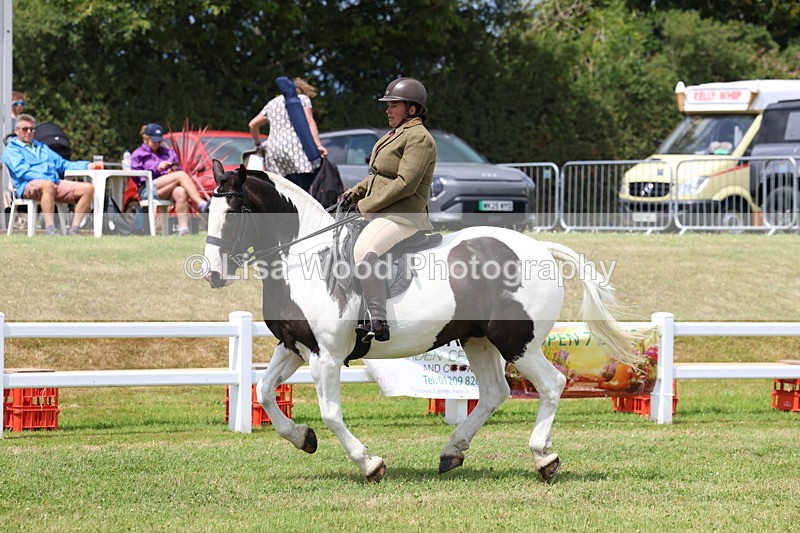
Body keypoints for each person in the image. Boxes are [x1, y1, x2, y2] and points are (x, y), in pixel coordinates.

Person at [340, 77, 436, 342]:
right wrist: (352, 194)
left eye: (394, 105)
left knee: (363, 249)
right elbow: (376, 175)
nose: (388, 110)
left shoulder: (420, 139)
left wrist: (365, 206)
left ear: (412, 110)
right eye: (388, 105)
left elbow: (405, 184)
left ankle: (377, 320)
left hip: (404, 216)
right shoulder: (394, 135)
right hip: (383, 213)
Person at [2, 113, 97, 236]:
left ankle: (74, 230)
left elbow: (63, 164)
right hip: (27, 185)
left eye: (32, 129)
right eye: (25, 129)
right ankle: (50, 229)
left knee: (88, 189)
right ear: (16, 131)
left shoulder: (41, 147)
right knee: (47, 185)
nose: (29, 132)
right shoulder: (12, 149)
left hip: (52, 183)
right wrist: (47, 179)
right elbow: (22, 171)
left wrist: (87, 165)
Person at [248, 77, 328, 191]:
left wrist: (257, 144)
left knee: (283, 193)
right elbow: (309, 122)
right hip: (297, 151)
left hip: (274, 152)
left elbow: (252, 124)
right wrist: (318, 145)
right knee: (302, 192)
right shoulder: (302, 99)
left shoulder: (271, 104)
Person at [130, 123, 208, 236]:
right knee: (181, 175)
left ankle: (183, 230)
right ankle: (201, 203)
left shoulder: (168, 152)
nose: (157, 143)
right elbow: (137, 176)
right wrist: (157, 169)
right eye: (154, 140)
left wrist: (172, 172)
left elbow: (178, 168)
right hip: (148, 190)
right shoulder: (138, 154)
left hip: (167, 189)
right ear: (146, 138)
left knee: (181, 192)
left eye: (159, 141)